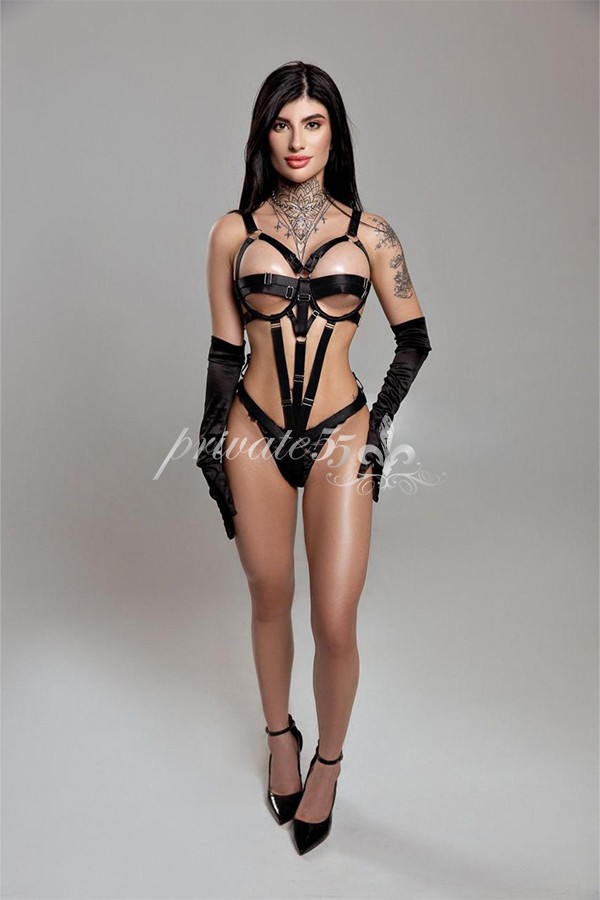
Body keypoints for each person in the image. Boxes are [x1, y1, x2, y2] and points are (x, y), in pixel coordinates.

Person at [195, 60, 432, 855]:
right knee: (269, 596)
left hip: (340, 431)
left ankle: (328, 761)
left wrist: (379, 427)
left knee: (334, 620)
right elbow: (225, 352)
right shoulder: (232, 232)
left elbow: (413, 340)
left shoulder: (373, 234)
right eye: (281, 123)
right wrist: (210, 444)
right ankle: (281, 738)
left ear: (335, 132)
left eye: (313, 122)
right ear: (263, 134)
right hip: (254, 431)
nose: (297, 139)